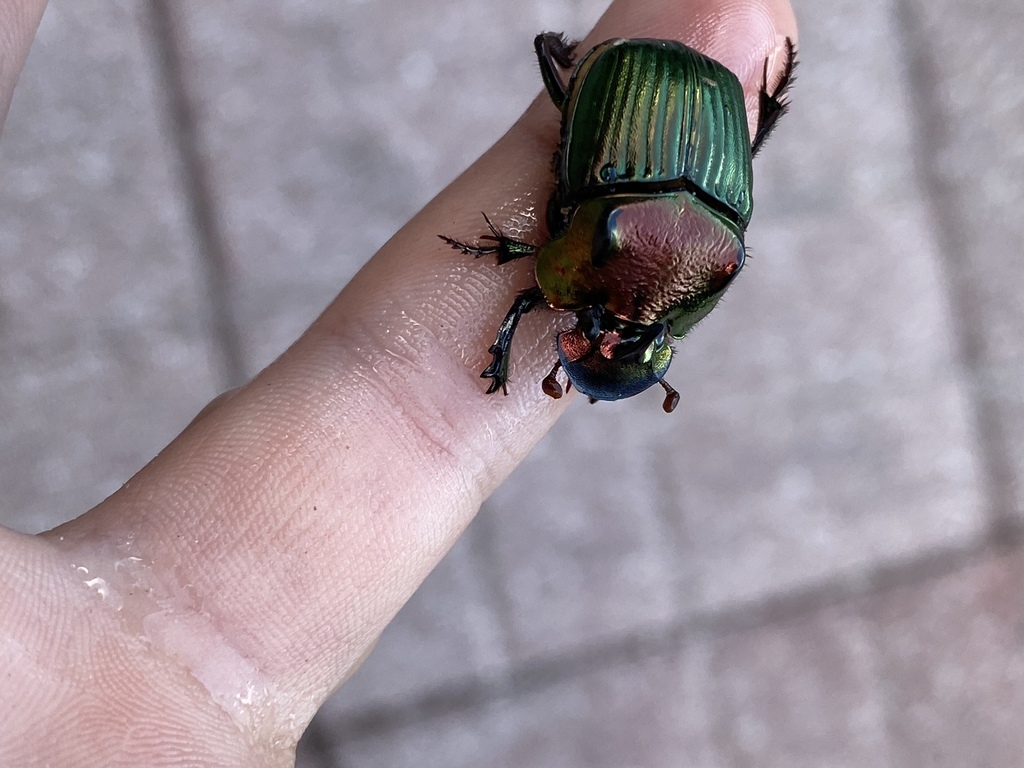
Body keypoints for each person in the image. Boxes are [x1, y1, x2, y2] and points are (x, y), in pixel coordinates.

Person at [0, 0, 797, 763]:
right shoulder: (667, 254)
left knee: (545, 219)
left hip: (672, 122)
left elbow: (551, 271)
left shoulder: (686, 253)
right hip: (658, 116)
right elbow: (544, 275)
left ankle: (601, 79)